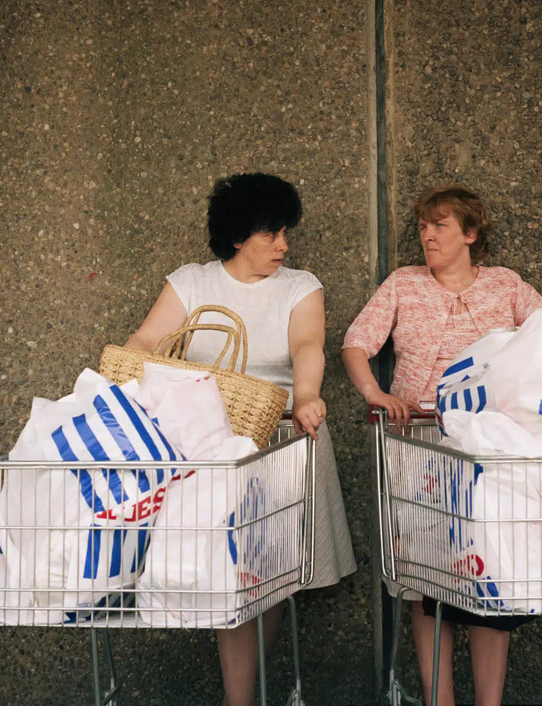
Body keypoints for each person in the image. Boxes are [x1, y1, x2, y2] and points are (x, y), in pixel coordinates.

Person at [124, 173, 357, 706]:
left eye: (285, 232)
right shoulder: (191, 282)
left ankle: (242, 694)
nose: (283, 244)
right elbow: (147, 338)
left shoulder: (300, 285)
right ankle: (242, 696)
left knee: (266, 573)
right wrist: (125, 372)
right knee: (226, 570)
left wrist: (306, 395)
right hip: (209, 444)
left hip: (282, 437)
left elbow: (307, 344)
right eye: (271, 233)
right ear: (236, 236)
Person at [342, 185, 542, 706]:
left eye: (440, 226)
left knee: (491, 570)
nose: (428, 236)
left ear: (470, 234)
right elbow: (356, 341)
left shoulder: (505, 285)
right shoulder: (403, 283)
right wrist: (375, 392)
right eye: (423, 227)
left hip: (491, 449)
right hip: (420, 444)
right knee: (425, 575)